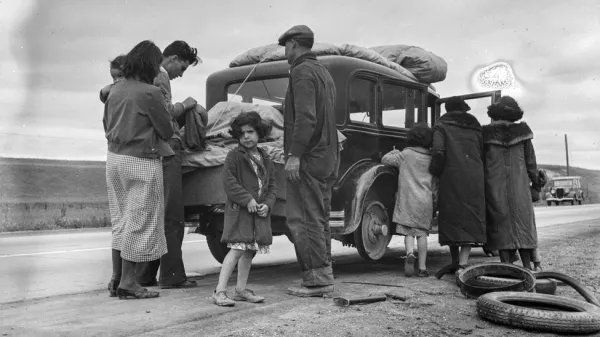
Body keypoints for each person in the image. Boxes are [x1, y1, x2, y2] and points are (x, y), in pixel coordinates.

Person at [103, 40, 173, 299]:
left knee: (120, 219)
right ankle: (129, 282)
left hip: (114, 159)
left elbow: (105, 124)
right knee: (140, 219)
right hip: (142, 160)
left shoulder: (115, 90)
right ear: (150, 65)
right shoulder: (150, 92)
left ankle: (116, 278)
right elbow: (166, 130)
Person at [133, 41, 202, 289]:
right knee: (172, 215)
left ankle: (144, 275)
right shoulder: (161, 77)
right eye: (182, 67)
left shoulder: (141, 77)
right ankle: (172, 275)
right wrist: (187, 105)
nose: (181, 73)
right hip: (167, 148)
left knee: (154, 214)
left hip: (147, 151)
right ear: (171, 58)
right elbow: (164, 112)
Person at [279, 25, 339, 297]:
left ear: (293, 44)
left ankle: (316, 281)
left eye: (286, 47)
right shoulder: (323, 72)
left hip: (310, 158)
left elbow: (306, 118)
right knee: (320, 217)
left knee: (303, 218)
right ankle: (323, 274)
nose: (285, 53)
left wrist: (294, 155)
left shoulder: (301, 72)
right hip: (327, 156)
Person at [212, 112, 277, 307]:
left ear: (259, 133)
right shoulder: (234, 156)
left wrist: (268, 204)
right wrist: (247, 199)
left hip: (257, 214)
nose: (246, 136)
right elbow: (229, 183)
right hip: (240, 212)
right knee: (236, 250)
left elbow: (272, 186)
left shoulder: (266, 157)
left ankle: (240, 289)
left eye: (250, 131)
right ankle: (220, 291)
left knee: (249, 251)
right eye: (242, 133)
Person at [482, 96, 541, 270]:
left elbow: (481, 162)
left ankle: (507, 267)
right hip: (520, 188)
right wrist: (536, 186)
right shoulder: (523, 134)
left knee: (500, 226)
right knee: (523, 225)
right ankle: (527, 267)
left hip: (494, 187)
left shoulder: (485, 135)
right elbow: (531, 164)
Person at [429, 96, 486, 267]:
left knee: (451, 217)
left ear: (447, 109)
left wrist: (435, 171)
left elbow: (438, 152)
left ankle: (454, 261)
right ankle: (463, 263)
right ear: (464, 109)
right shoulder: (476, 126)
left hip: (451, 176)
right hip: (475, 176)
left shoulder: (441, 125)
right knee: (471, 217)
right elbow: (482, 151)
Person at [382, 123, 437, 277]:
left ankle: (409, 253)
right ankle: (423, 268)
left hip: (407, 200)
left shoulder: (405, 155)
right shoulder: (432, 158)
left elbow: (385, 160)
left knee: (408, 232)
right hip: (425, 201)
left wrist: (394, 152)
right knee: (422, 234)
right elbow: (435, 185)